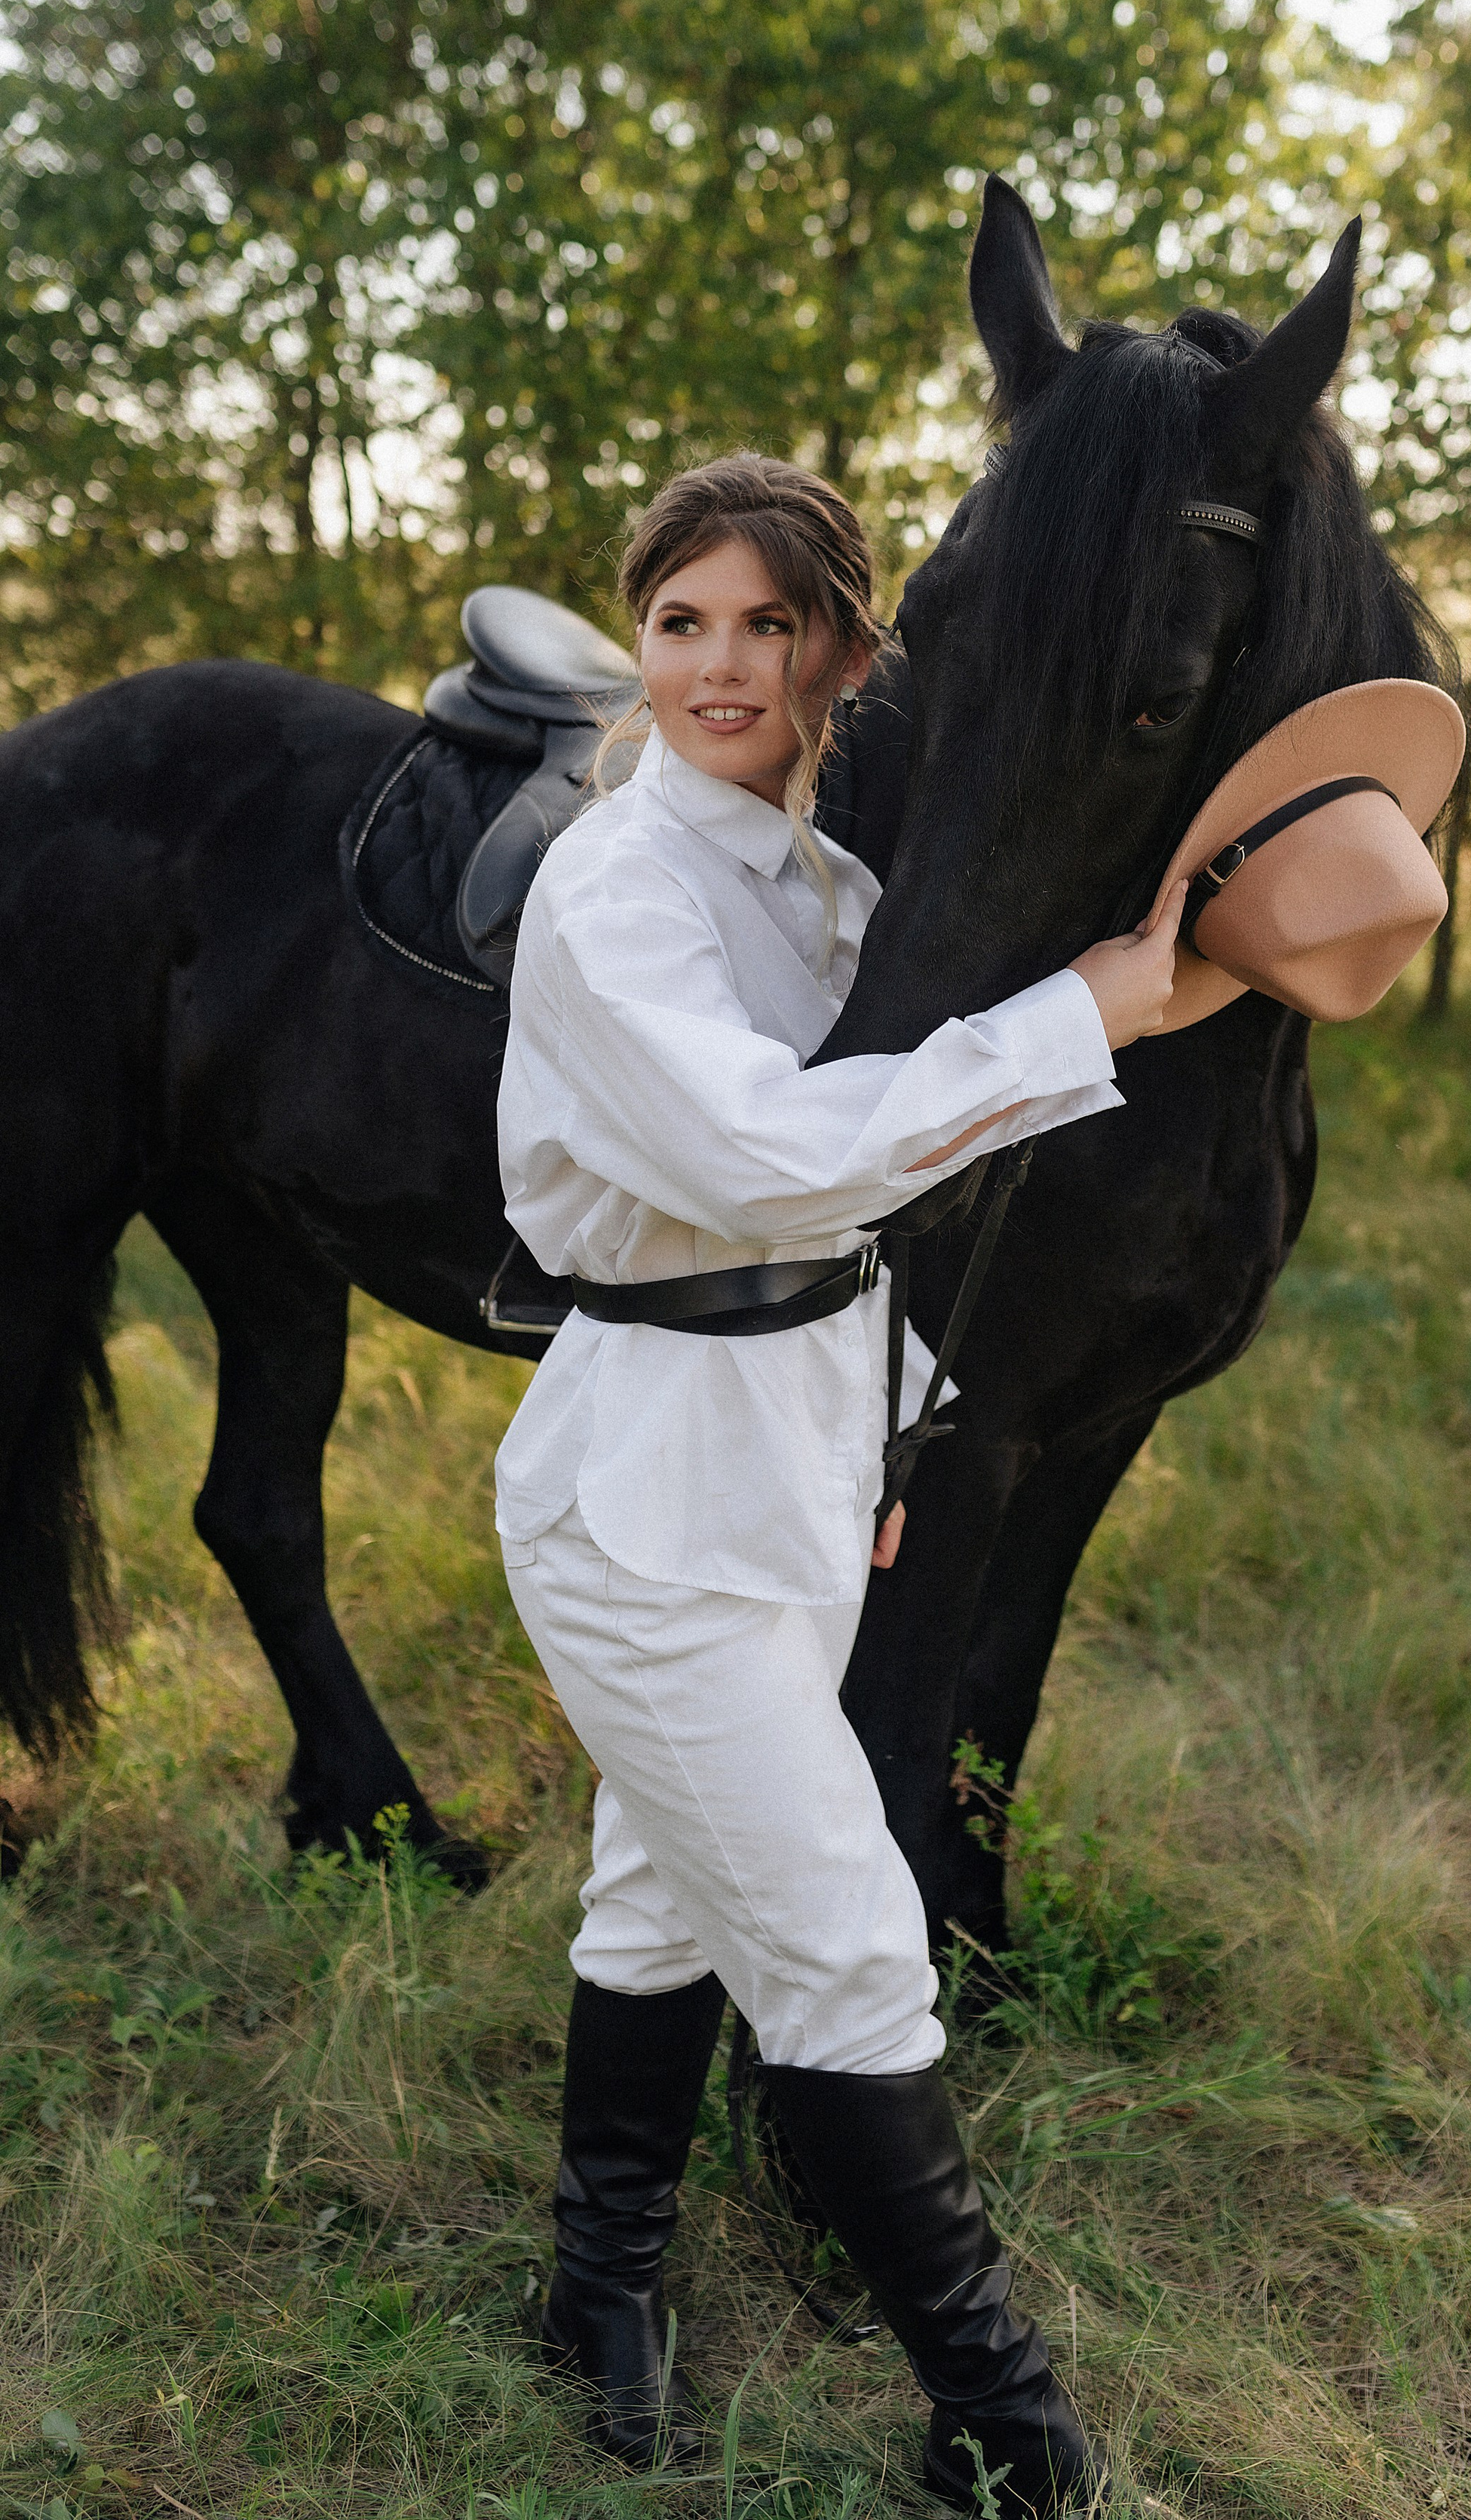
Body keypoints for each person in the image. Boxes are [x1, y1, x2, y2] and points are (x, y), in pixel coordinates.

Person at [495, 452, 1183, 2515]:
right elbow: (774, 1166)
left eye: (767, 623)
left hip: (796, 1461)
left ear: (844, 658)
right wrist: (1090, 1009)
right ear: (644, 643)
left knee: (661, 1884)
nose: (719, 664)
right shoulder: (617, 892)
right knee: (850, 1942)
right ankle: (1008, 2420)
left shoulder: (832, 892)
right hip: (639, 1501)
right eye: (680, 620)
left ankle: (594, 2272)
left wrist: (883, 1441)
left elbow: (876, 1226)